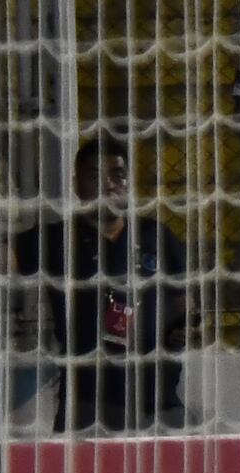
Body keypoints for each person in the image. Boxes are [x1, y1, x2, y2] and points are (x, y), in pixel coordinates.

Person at [22, 130, 193, 431]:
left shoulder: (155, 234)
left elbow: (185, 304)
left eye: (118, 175)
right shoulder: (56, 239)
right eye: (94, 176)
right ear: (76, 185)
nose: (109, 184)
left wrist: (183, 329)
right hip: (88, 401)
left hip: (157, 398)